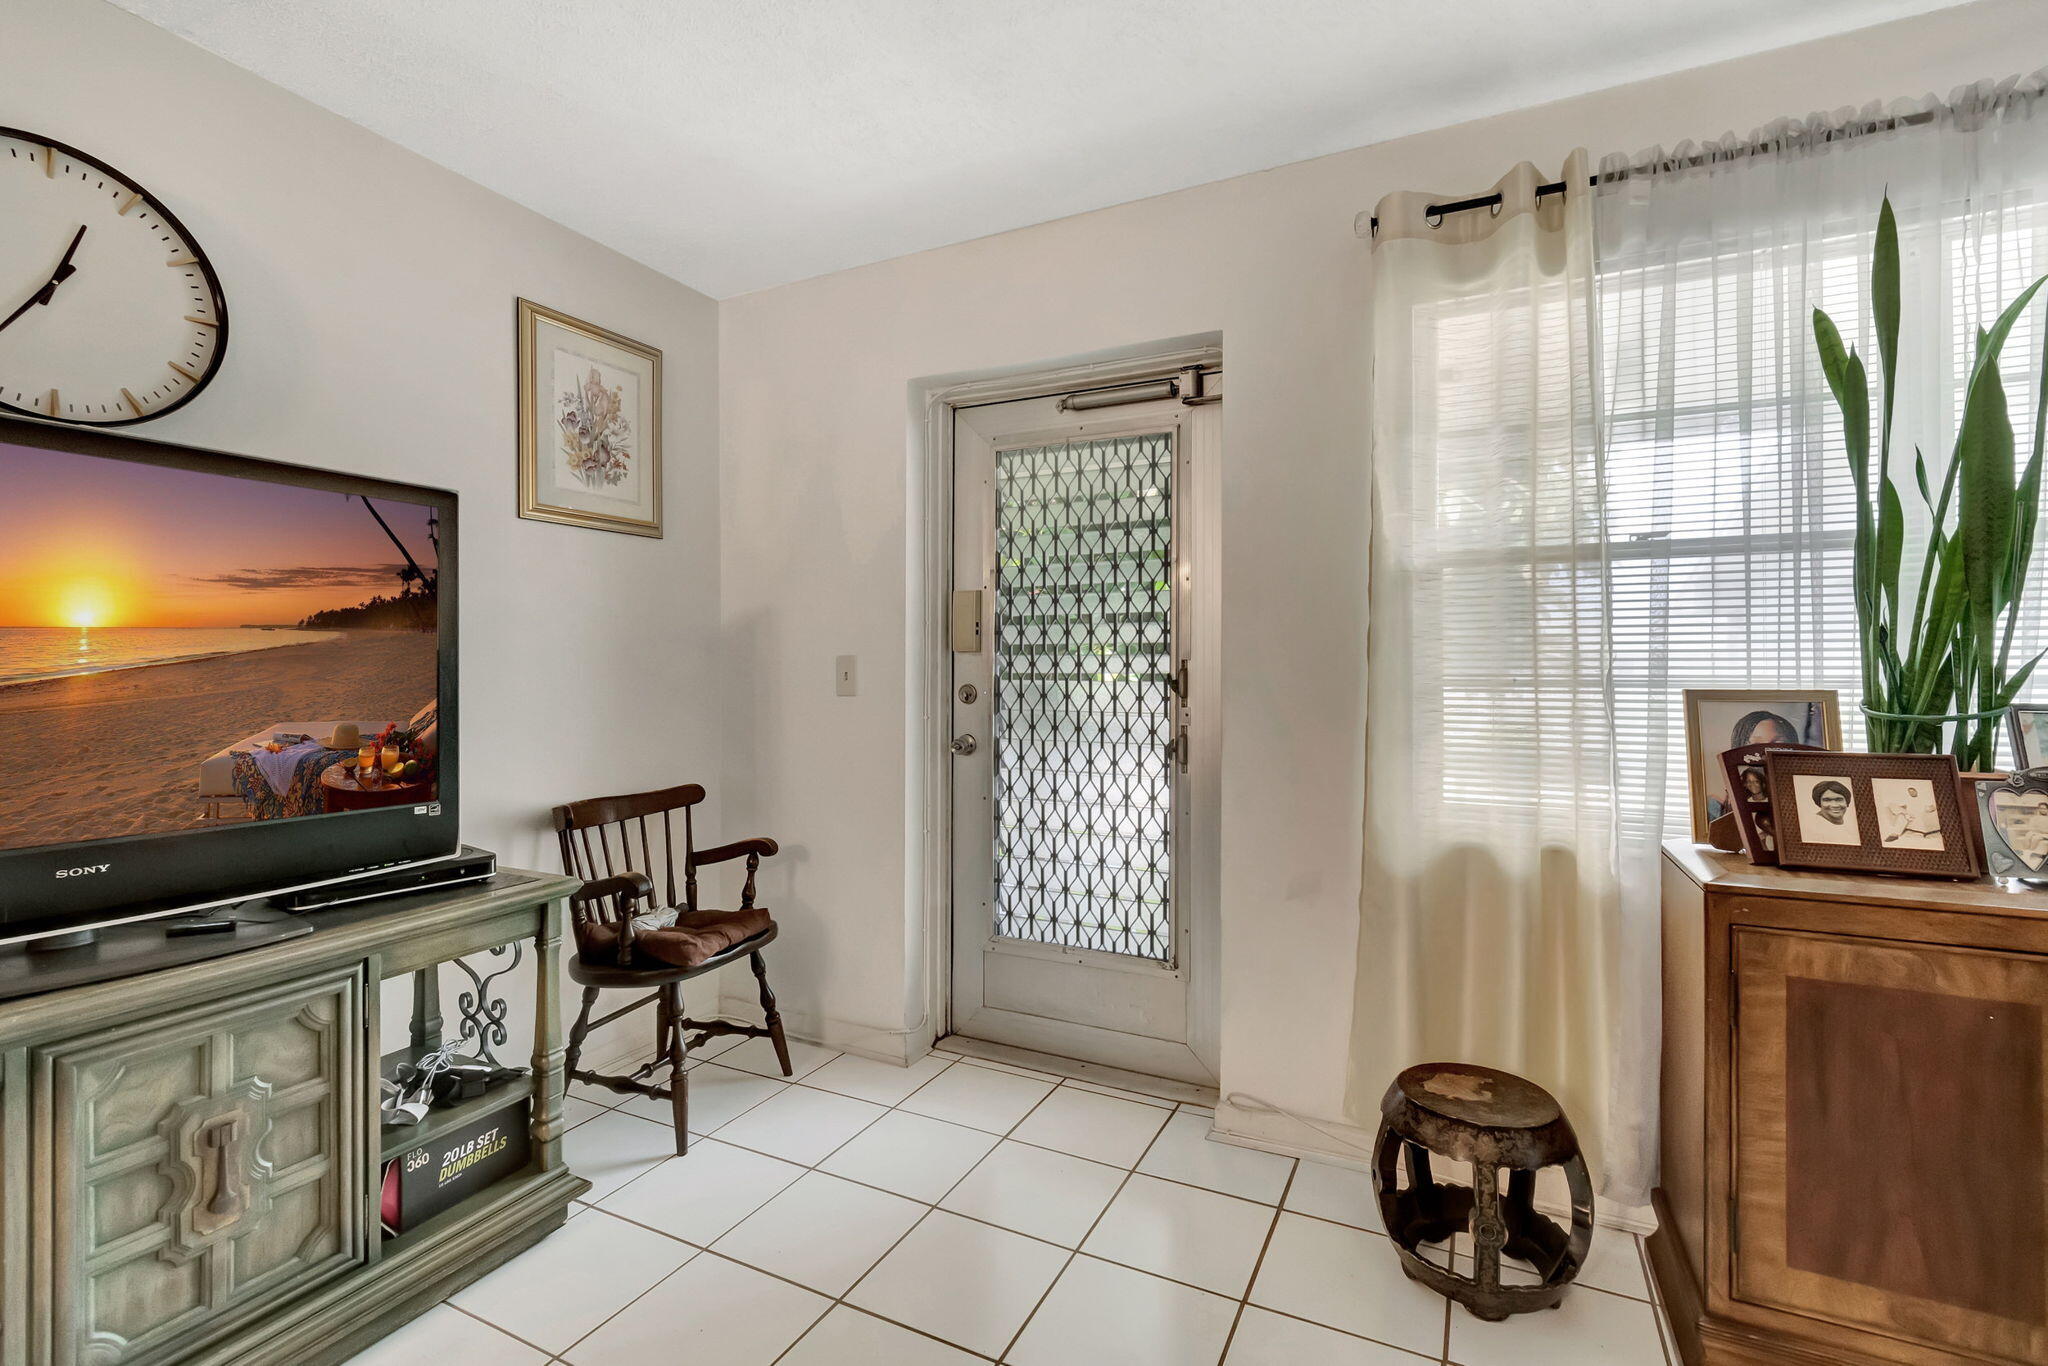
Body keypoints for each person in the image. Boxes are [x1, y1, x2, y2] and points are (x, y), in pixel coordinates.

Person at [1882, 783, 1942, 848]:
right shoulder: (1909, 799)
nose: (1911, 793)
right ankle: (1896, 832)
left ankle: (1895, 834)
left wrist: (1930, 809)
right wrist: (1902, 809)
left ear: (1916, 791)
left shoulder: (1923, 799)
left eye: (1913, 791)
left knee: (1903, 816)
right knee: (1896, 808)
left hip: (1917, 813)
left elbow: (1932, 807)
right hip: (1909, 813)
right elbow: (1904, 806)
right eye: (1910, 792)